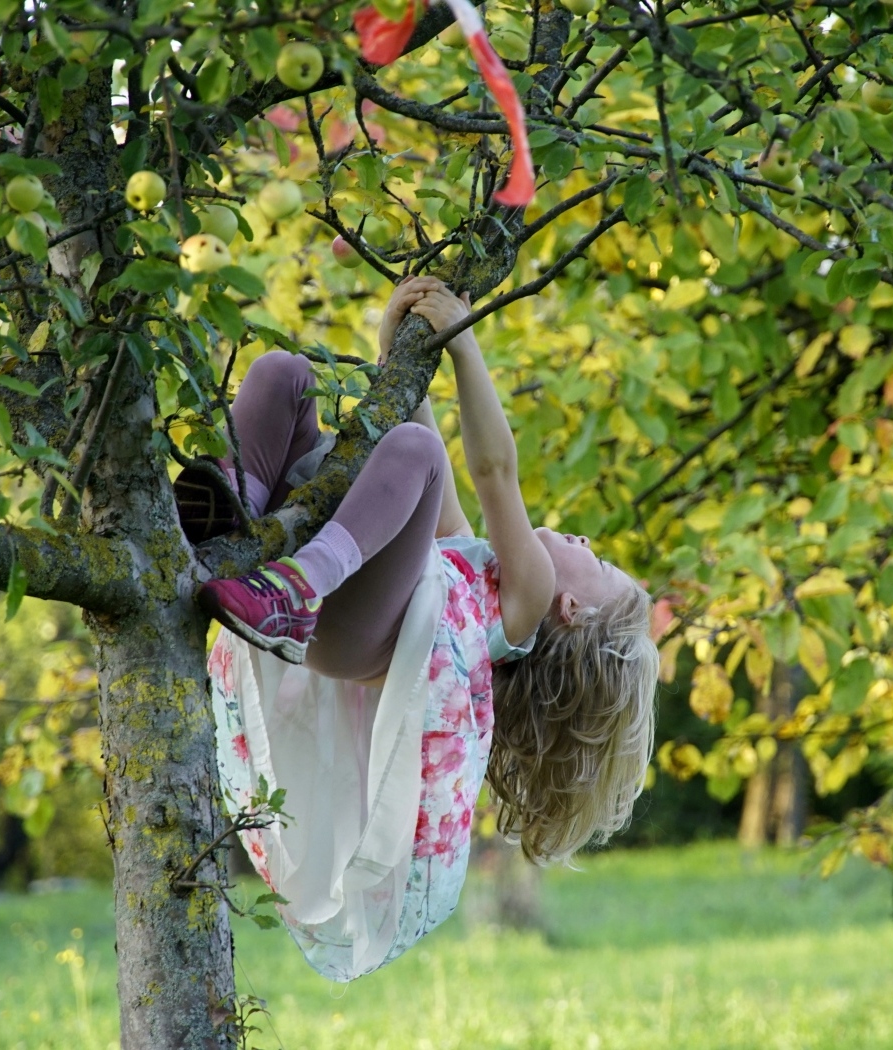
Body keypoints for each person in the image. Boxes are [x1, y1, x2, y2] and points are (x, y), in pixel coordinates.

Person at [182, 277, 658, 980]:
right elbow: (430, 464)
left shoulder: (526, 600)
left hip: (346, 626)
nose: (587, 542)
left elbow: (492, 471)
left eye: (601, 563)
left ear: (574, 611)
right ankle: (236, 506)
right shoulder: (478, 569)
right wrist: (401, 357)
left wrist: (464, 344)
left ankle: (298, 584)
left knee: (416, 456)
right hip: (342, 615)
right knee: (285, 375)